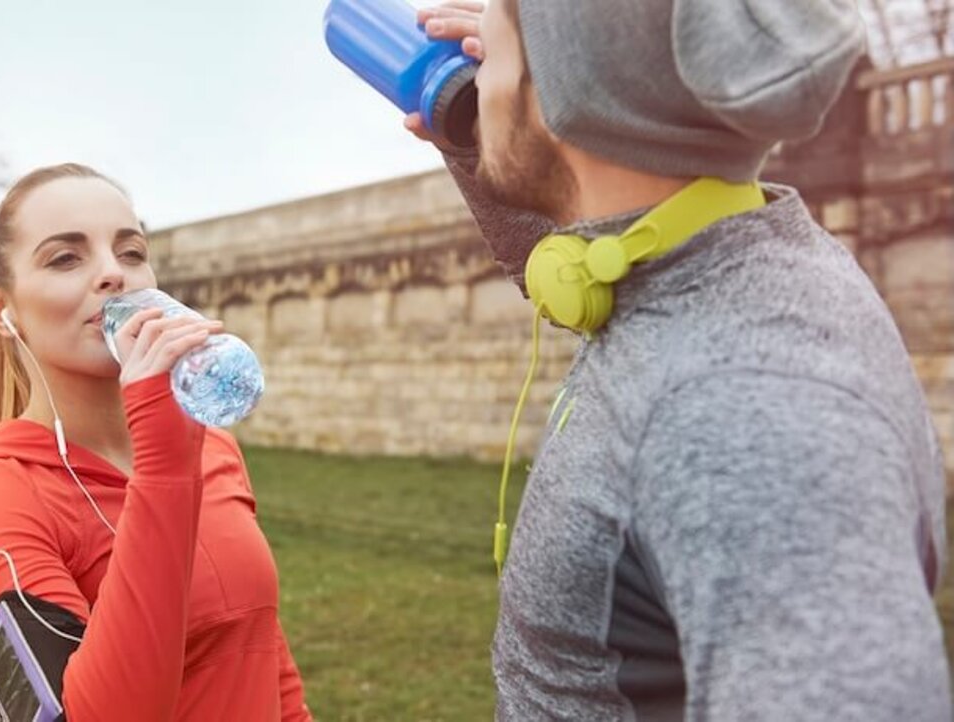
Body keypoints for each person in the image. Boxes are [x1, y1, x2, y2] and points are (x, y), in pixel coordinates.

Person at [406, 1, 950, 719]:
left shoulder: (745, 418)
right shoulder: (728, 263)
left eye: (497, 51)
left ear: (564, 89)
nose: (480, 76)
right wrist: (491, 141)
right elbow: (622, 300)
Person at [0, 163, 311, 721]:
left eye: (131, 253)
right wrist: (164, 471)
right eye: (66, 257)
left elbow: (263, 652)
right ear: (1, 309)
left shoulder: (212, 448)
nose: (114, 275)